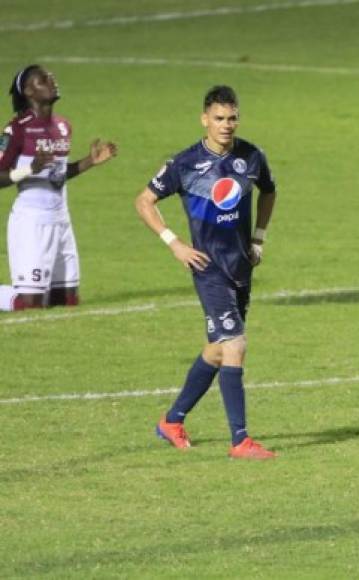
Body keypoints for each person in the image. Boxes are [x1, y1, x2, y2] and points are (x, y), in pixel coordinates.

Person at [135, 85, 277, 460]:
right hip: (208, 267)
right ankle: (240, 441)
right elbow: (144, 201)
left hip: (241, 267)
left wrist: (258, 238)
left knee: (216, 351)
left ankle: (172, 421)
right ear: (205, 120)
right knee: (236, 345)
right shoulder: (184, 164)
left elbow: (269, 192)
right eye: (219, 118)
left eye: (232, 118)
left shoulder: (251, 156)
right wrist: (174, 243)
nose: (226, 125)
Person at [0, 64, 117, 311]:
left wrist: (89, 162)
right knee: (28, 305)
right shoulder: (17, 129)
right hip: (31, 222)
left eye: (51, 76)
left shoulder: (62, 126)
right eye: (43, 79)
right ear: (29, 92)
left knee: (66, 301)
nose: (51, 80)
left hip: (61, 219)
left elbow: (57, 176)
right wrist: (29, 169)